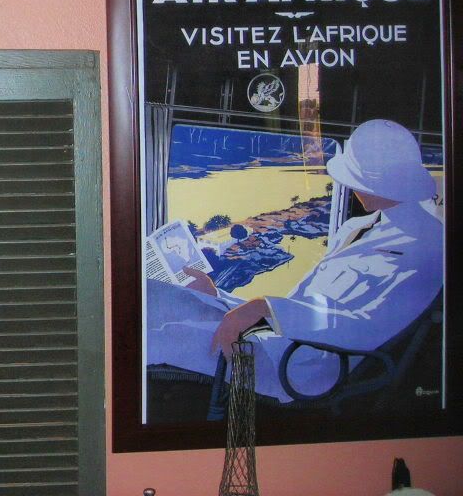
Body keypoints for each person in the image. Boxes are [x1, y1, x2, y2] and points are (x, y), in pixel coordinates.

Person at [146, 118, 443, 402]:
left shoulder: (426, 245)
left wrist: (264, 308)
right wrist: (219, 297)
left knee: (163, 335)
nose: (353, 187)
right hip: (279, 340)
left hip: (299, 366)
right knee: (154, 293)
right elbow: (298, 303)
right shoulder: (358, 227)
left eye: (357, 179)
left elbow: (366, 327)